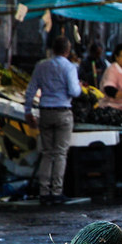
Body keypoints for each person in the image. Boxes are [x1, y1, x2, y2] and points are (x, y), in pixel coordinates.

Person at [24, 36, 82, 205]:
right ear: (67, 51)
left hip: (45, 112)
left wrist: (28, 111)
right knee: (60, 153)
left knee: (47, 153)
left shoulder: (41, 66)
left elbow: (31, 90)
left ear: (53, 49)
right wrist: (79, 87)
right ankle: (56, 191)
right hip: (63, 112)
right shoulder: (69, 67)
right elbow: (74, 91)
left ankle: (44, 192)